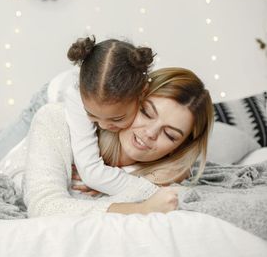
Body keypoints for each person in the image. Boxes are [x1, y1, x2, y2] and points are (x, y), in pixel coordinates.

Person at [23, 67, 213, 217]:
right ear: (132, 100)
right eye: (146, 113)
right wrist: (142, 208)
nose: (150, 133)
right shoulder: (56, 118)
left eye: (170, 135)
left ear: (179, 147)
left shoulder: (167, 175)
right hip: (53, 96)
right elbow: (45, 207)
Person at [64, 36, 157, 197]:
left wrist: (111, 181)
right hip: (44, 100)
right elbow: (91, 173)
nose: (104, 126)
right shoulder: (75, 96)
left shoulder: (149, 92)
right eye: (92, 115)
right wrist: (153, 192)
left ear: (142, 93)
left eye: (116, 119)